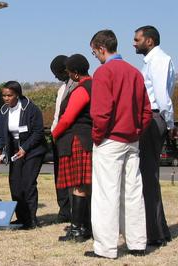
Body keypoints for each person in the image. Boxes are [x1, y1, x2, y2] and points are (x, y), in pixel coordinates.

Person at [86, 30, 152, 259]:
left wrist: (97, 137)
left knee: (106, 195)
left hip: (110, 139)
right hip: (131, 139)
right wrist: (136, 131)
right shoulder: (135, 72)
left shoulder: (104, 72)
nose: (95, 56)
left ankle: (105, 248)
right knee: (133, 192)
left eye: (94, 51)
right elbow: (146, 111)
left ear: (101, 48)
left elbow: (101, 112)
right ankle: (137, 243)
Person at [133, 25, 176, 247]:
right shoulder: (152, 61)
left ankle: (155, 233)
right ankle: (160, 229)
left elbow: (161, 94)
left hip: (153, 118)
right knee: (148, 177)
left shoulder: (158, 60)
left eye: (137, 39)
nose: (134, 43)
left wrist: (168, 123)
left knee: (148, 177)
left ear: (149, 41)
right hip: (153, 118)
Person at [0, 81, 46, 229]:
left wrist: (25, 148)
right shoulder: (3, 111)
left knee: (28, 184)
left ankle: (31, 219)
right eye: (4, 95)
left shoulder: (31, 109)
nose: (6, 98)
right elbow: (1, 134)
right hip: (15, 152)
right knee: (15, 184)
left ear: (17, 94)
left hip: (33, 150)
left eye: (9, 95)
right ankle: (21, 218)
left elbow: (38, 133)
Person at [52, 54, 92, 242]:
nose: (66, 75)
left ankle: (78, 229)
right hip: (87, 139)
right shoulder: (94, 84)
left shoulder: (82, 89)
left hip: (77, 139)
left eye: (68, 72)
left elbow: (67, 118)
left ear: (75, 74)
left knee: (79, 185)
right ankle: (86, 225)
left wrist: (54, 134)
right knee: (86, 185)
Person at [50, 55, 77, 224]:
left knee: (72, 177)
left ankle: (75, 210)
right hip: (57, 136)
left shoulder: (77, 86)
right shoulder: (62, 88)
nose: (56, 77)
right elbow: (56, 115)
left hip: (69, 136)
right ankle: (64, 209)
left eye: (57, 73)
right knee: (59, 176)